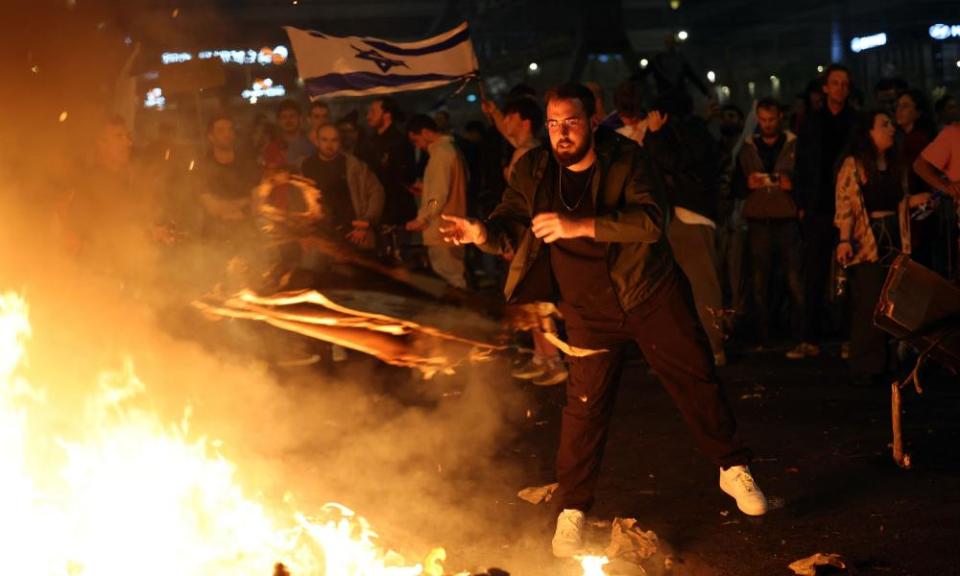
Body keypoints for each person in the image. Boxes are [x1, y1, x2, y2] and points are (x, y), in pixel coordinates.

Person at [438, 83, 767, 559]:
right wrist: (481, 231)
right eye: (553, 124)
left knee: (694, 377)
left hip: (648, 294)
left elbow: (653, 220)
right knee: (584, 408)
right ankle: (573, 508)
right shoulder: (533, 168)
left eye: (570, 122)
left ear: (593, 121)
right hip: (587, 309)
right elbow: (510, 224)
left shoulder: (626, 158)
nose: (561, 134)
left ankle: (732, 467)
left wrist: (579, 225)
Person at [835, 110, 930, 386]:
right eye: (883, 125)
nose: (891, 129)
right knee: (868, 302)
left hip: (894, 238)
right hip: (866, 241)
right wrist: (844, 240)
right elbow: (845, 205)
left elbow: (898, 201)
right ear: (869, 132)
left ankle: (887, 361)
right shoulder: (853, 165)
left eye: (890, 124)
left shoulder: (895, 165)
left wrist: (918, 200)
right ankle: (867, 364)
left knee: (890, 302)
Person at [644, 92, 728, 366]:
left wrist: (655, 135)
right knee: (695, 286)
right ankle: (705, 346)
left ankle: (714, 348)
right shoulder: (695, 131)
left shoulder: (690, 134)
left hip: (692, 216)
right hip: (690, 215)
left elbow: (671, 162)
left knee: (702, 286)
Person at [795, 64, 858, 357]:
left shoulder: (856, 122)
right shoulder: (811, 122)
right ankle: (810, 338)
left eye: (844, 84)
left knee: (850, 274)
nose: (840, 89)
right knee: (815, 273)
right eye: (835, 83)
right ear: (825, 87)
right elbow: (803, 165)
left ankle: (850, 337)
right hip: (818, 206)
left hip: (847, 206)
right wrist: (802, 203)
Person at [733, 98, 806, 353]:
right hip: (758, 220)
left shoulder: (794, 145)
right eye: (762, 120)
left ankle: (800, 334)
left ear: (779, 118)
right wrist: (748, 184)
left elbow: (807, 178)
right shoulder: (748, 148)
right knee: (760, 280)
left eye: (771, 120)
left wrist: (792, 185)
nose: (766, 125)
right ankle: (763, 336)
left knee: (794, 278)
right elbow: (735, 186)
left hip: (786, 219)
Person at [405, 114, 469, 290]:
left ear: (425, 132)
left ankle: (460, 315)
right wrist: (426, 190)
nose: (417, 146)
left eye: (416, 140)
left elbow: (437, 196)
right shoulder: (450, 150)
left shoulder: (441, 154)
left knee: (450, 280)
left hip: (443, 229)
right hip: (452, 226)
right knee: (453, 278)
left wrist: (423, 217)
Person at [301, 123, 384, 251]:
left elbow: (376, 191)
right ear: (317, 141)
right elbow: (297, 199)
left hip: (351, 232)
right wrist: (303, 232)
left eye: (334, 140)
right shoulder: (306, 166)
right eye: (325, 140)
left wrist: (366, 222)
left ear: (340, 142)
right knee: (311, 268)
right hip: (318, 233)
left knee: (351, 269)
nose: (329, 144)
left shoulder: (353, 166)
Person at [192, 114, 261, 241]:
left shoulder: (247, 163)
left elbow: (258, 202)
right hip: (215, 238)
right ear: (211, 137)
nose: (227, 134)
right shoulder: (202, 168)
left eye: (230, 129)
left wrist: (228, 211)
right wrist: (245, 202)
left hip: (247, 236)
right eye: (221, 130)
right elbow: (212, 207)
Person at [357, 97, 418, 227]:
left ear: (387, 114)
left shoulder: (400, 142)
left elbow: (406, 177)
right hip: (374, 208)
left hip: (396, 210)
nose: (368, 116)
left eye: (373, 111)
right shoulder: (368, 141)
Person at [262, 99, 316, 171]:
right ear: (278, 121)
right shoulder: (272, 148)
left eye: (292, 116)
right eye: (284, 117)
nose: (288, 121)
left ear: (300, 118)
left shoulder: (312, 145)